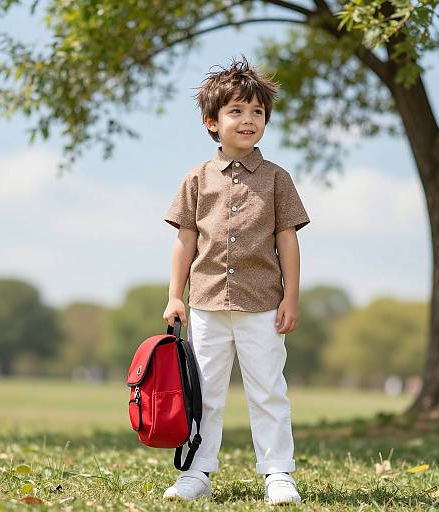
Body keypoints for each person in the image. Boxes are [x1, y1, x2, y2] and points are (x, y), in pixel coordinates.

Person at [162, 55, 310, 505]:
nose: (249, 121)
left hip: (263, 305)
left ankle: (278, 473)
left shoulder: (276, 180)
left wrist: (291, 297)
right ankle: (196, 472)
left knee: (268, 390)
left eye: (257, 113)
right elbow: (185, 244)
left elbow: (287, 242)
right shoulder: (195, 180)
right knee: (203, 392)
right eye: (236, 112)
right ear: (212, 121)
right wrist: (174, 296)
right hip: (206, 304)